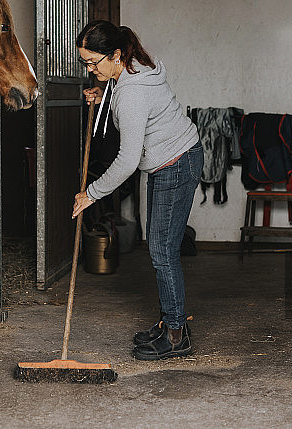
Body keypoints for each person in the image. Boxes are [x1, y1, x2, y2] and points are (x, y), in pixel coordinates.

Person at [71, 20, 203, 360]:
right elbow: (133, 102)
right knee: (160, 248)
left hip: (176, 162)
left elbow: (127, 160)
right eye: (85, 61)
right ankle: (169, 322)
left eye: (93, 62)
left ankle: (176, 335)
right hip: (170, 160)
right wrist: (103, 96)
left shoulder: (130, 92)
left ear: (115, 55)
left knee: (162, 250)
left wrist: (92, 193)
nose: (89, 69)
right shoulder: (132, 67)